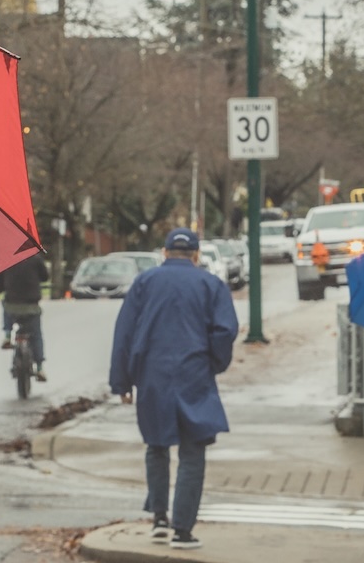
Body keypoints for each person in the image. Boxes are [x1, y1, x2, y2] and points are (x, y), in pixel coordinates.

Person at [109, 227, 238, 551]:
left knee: (156, 444)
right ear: (196, 256)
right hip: (193, 373)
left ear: (164, 253)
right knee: (193, 452)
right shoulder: (211, 285)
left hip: (152, 374)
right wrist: (214, 363)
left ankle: (159, 518)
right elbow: (225, 331)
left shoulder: (144, 283)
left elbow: (124, 332)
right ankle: (183, 530)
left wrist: (121, 381)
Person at [0, 250, 50, 380]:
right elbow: (45, 277)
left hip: (12, 307)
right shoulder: (36, 258)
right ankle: (39, 367)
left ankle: (7, 334)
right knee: (36, 335)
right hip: (31, 306)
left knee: (6, 303)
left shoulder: (7, 259)